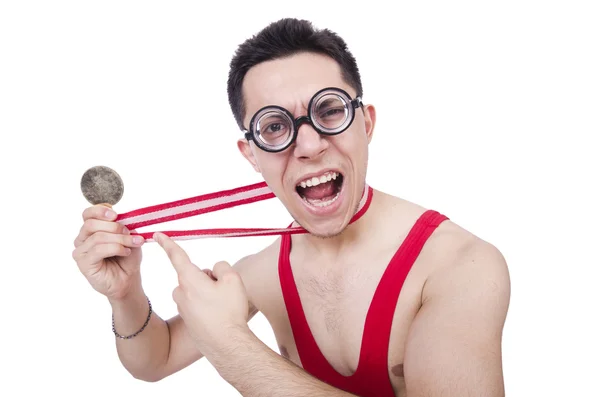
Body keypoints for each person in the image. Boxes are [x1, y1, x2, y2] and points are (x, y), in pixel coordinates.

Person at [72, 18, 510, 397]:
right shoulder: (262, 273)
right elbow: (155, 358)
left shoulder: (461, 266)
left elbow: (222, 345)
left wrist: (229, 342)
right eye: (275, 126)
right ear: (251, 154)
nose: (309, 145)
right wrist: (126, 295)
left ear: (367, 123)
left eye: (330, 111)